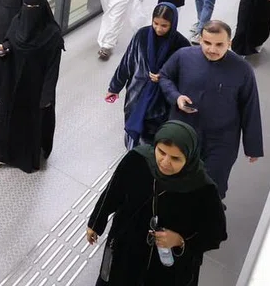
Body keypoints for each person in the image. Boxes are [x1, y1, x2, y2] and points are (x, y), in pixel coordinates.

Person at [85, 121, 227, 286]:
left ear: (189, 158)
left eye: (175, 158)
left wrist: (180, 241)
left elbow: (216, 234)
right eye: (161, 152)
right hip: (126, 254)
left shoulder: (203, 189)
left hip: (168, 269)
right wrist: (95, 223)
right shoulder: (137, 160)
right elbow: (113, 192)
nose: (165, 162)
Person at [158, 21, 264, 200]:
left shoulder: (242, 70)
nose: (212, 49)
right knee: (173, 178)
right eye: (207, 43)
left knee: (212, 185)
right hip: (183, 133)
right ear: (200, 40)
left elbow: (250, 107)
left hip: (221, 141)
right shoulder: (183, 56)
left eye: (219, 44)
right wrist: (176, 97)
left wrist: (252, 146)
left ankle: (205, 220)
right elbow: (165, 76)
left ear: (229, 43)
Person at [0, 0, 65, 173]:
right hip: (12, 82)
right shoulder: (17, 22)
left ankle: (25, 157)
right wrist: (4, 49)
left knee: (30, 122)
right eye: (26, 7)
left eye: (33, 8)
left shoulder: (52, 34)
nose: (29, 11)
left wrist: (46, 96)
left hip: (35, 88)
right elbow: (9, 42)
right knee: (6, 118)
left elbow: (53, 68)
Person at [105, 3, 191, 149]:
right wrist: (114, 87)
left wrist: (164, 77)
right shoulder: (142, 36)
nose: (158, 29)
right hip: (137, 93)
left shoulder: (181, 45)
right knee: (132, 127)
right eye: (155, 23)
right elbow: (127, 62)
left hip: (162, 101)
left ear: (173, 23)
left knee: (153, 134)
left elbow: (185, 77)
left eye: (164, 25)